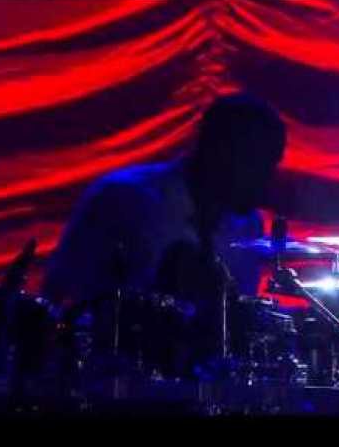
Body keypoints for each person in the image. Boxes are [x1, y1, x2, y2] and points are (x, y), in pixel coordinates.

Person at [42, 92, 287, 310]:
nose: (266, 179)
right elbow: (63, 296)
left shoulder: (249, 225)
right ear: (216, 148)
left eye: (271, 164)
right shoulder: (124, 198)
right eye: (256, 163)